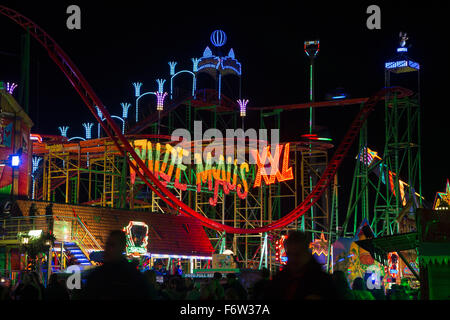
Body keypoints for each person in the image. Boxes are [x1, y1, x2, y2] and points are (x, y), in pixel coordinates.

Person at [263, 231, 338, 300]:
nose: (293, 259)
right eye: (290, 254)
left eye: (297, 254)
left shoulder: (322, 282)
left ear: (306, 252)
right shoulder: (280, 280)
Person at [84, 230, 152, 300]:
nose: (107, 248)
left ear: (121, 248)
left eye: (112, 245)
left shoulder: (134, 278)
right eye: (107, 244)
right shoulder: (97, 275)